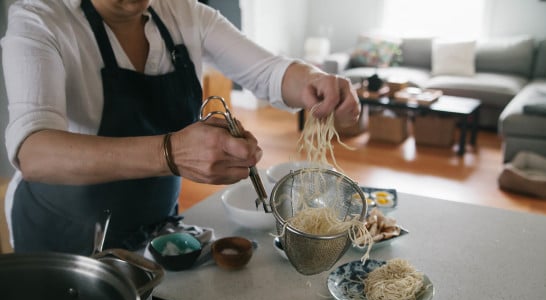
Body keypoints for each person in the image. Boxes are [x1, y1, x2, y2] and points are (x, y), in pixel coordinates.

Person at [1, 0, 360, 255]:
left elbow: (269, 72)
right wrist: (169, 153)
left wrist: (315, 81)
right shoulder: (39, 20)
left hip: (157, 225)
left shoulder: (183, 12)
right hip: (64, 234)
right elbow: (35, 150)